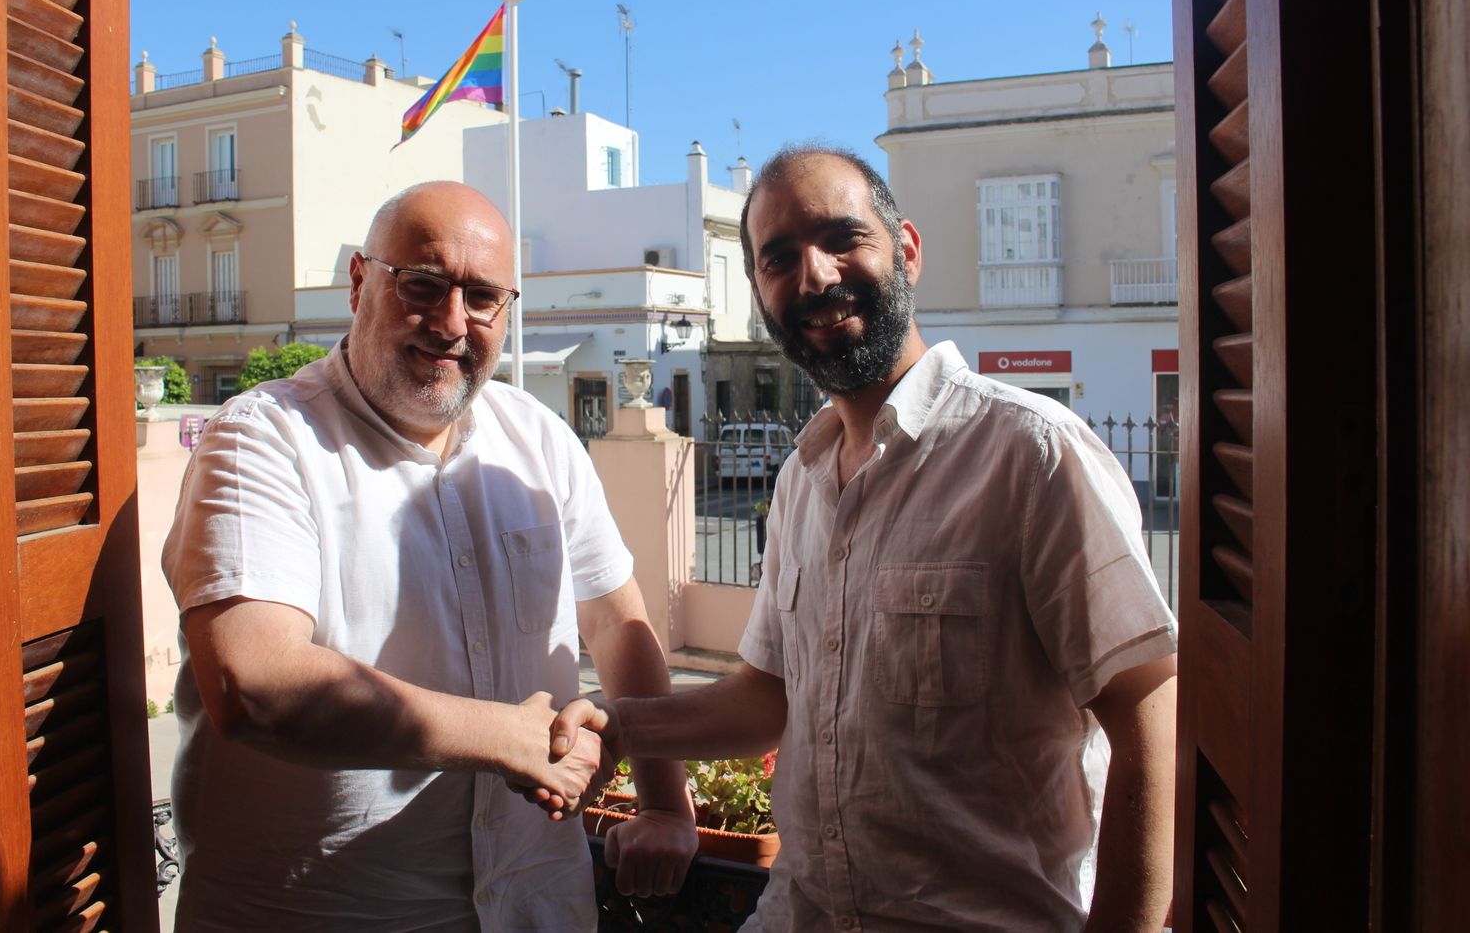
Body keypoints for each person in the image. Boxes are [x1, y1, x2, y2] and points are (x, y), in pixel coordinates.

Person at [549, 148, 1178, 932]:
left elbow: (1147, 708)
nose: (813, 276)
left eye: (843, 238)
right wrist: (618, 725)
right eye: (779, 258)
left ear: (906, 248)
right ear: (759, 292)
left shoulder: (1031, 454)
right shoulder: (802, 480)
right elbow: (769, 696)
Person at [162, 182, 697, 932]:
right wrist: (504, 738)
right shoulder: (263, 438)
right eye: (423, 284)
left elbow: (617, 622)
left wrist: (666, 803)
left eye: (482, 296)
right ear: (359, 283)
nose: (451, 322)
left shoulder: (539, 440)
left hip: (538, 905)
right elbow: (252, 680)